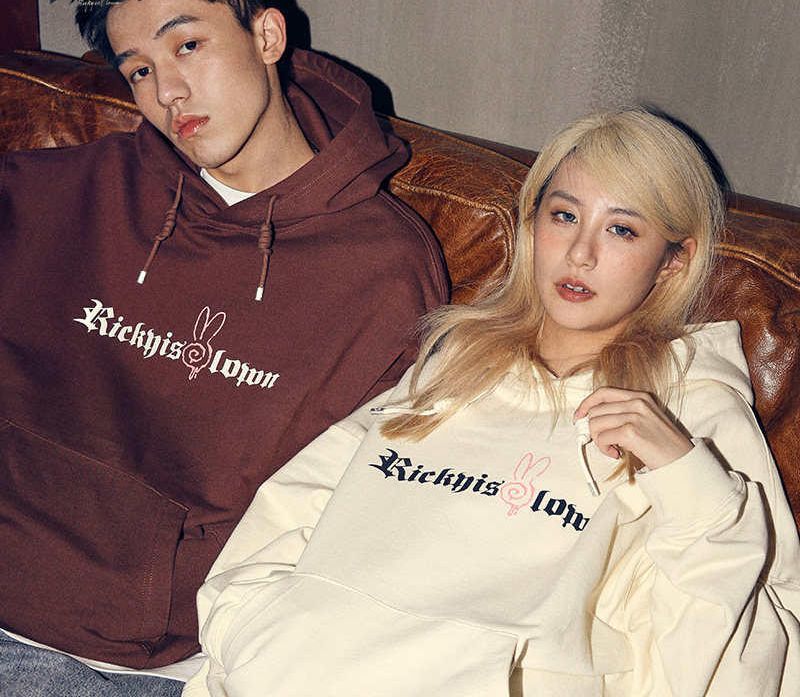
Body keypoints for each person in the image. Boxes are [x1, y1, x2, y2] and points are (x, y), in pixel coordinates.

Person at [183, 107, 800, 697]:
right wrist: (252, 637)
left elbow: (749, 649)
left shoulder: (692, 407)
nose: (580, 254)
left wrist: (687, 477)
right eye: (564, 216)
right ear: (532, 225)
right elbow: (290, 513)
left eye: (621, 229)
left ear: (673, 261)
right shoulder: (457, 360)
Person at [0, 0, 447, 696]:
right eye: (139, 70)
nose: (167, 92)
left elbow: (369, 508)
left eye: (187, 46)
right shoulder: (69, 191)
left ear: (266, 35)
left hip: (142, 664)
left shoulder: (384, 271)